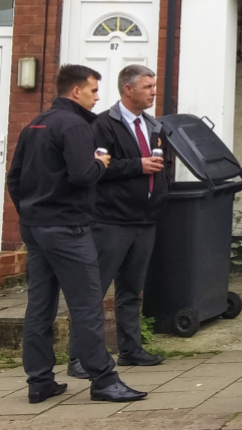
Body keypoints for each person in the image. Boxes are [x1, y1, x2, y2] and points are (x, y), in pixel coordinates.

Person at [7, 65, 146, 405]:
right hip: (68, 228)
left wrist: (30, 214)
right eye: (94, 90)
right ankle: (103, 379)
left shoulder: (35, 125)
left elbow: (14, 178)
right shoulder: (76, 125)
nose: (97, 97)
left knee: (40, 306)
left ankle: (39, 381)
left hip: (36, 228)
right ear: (76, 92)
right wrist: (102, 161)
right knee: (87, 305)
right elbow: (83, 175)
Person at [66, 65, 168, 381]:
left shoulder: (153, 125)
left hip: (145, 218)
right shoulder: (103, 125)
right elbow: (99, 168)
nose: (153, 91)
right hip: (111, 220)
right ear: (129, 89)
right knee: (94, 290)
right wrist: (137, 166)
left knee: (131, 290)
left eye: (154, 86)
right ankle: (79, 358)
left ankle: (131, 349)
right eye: (148, 86)